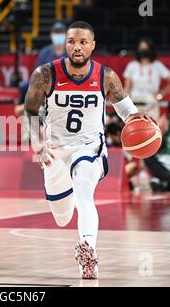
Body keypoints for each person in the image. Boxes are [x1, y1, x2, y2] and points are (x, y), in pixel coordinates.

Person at [24, 21, 151, 279]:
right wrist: (35, 140)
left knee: (84, 189)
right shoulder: (45, 74)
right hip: (55, 149)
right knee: (62, 217)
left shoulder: (106, 76)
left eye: (83, 42)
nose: (77, 47)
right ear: (65, 44)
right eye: (72, 41)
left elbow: (126, 109)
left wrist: (138, 120)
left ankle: (88, 253)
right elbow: (29, 111)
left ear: (92, 45)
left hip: (90, 146)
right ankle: (75, 222)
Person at [123, 38, 170, 120]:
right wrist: (125, 103)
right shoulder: (132, 65)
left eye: (146, 49)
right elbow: (127, 88)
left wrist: (160, 95)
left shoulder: (157, 65)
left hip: (151, 103)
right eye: (141, 49)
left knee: (152, 130)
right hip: (135, 103)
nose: (143, 51)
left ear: (151, 50)